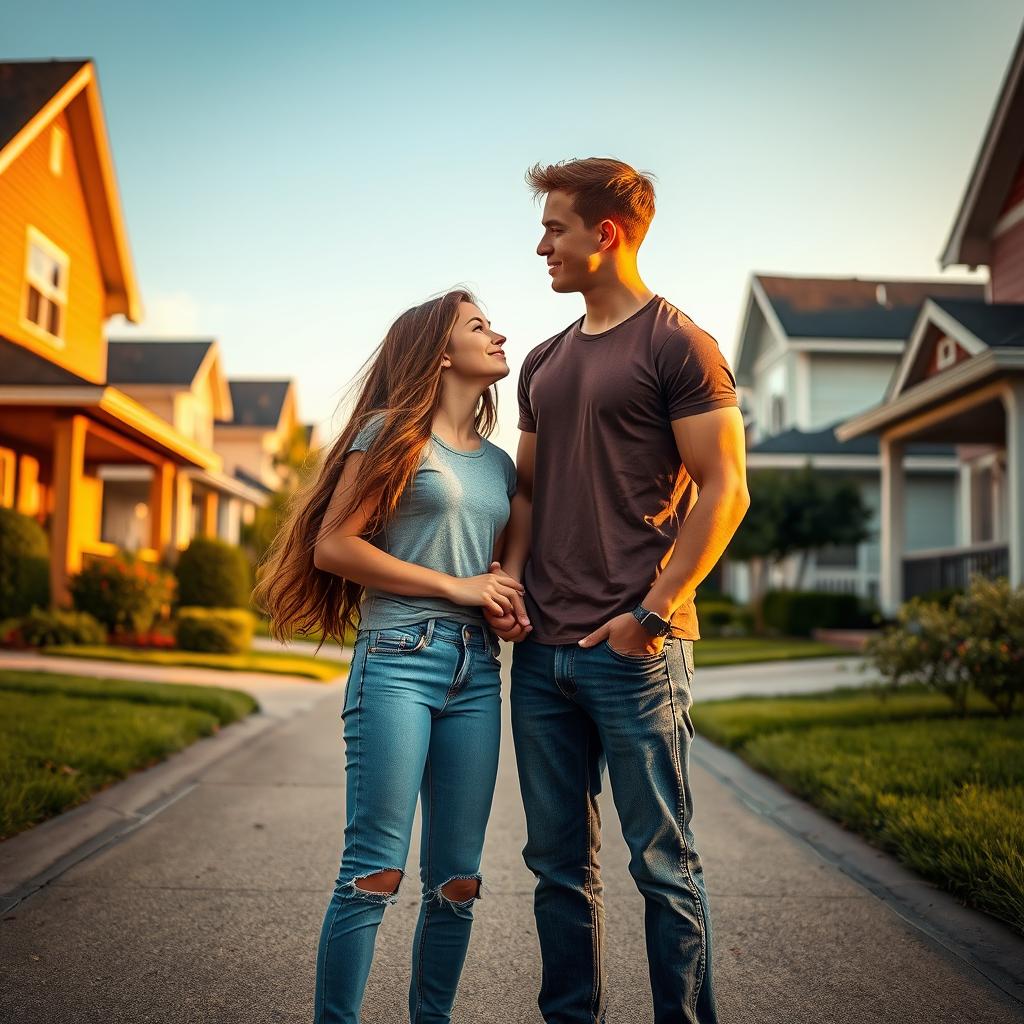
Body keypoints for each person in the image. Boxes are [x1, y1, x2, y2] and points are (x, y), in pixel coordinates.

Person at [487, 158, 750, 1024]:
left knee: (662, 865)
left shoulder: (680, 344)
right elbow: (525, 490)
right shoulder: (543, 361)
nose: (540, 246)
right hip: (542, 656)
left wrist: (651, 613)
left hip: (633, 653)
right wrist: (512, 586)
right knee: (557, 867)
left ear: (605, 235)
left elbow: (727, 489)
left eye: (554, 229)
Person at [255, 289, 527, 1024]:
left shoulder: (500, 466)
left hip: (477, 672)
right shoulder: (389, 435)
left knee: (459, 881)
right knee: (373, 872)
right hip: (399, 660)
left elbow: (498, 569)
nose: (498, 333)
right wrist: (457, 586)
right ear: (442, 352)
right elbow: (335, 545)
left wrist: (503, 601)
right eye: (479, 326)